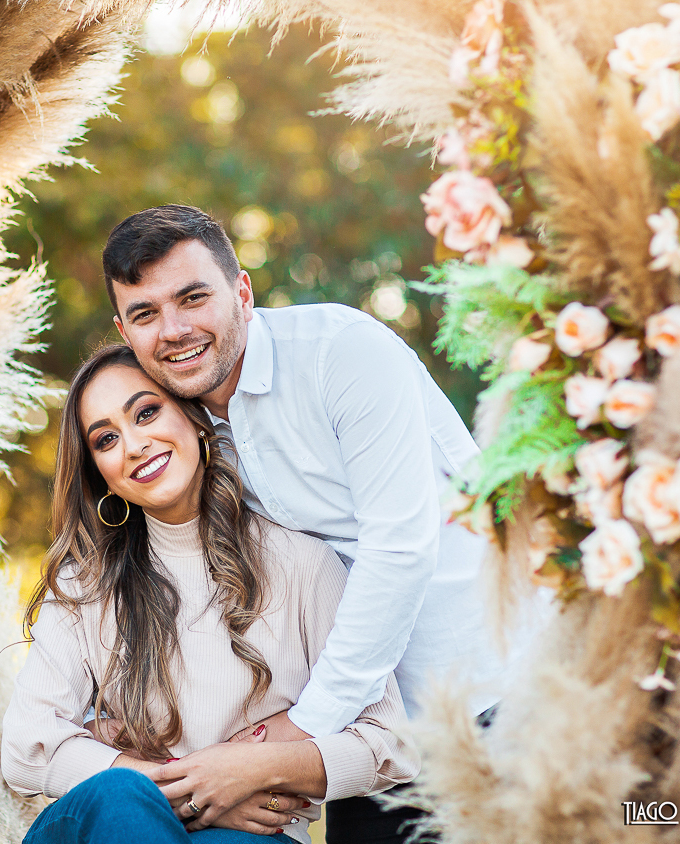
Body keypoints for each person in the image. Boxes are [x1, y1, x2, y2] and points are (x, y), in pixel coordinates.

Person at [101, 205, 506, 843]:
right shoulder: (172, 430)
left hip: (491, 691)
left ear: (242, 292)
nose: (173, 331)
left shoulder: (342, 354)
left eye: (193, 298)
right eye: (147, 314)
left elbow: (399, 551)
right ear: (125, 329)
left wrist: (296, 737)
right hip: (374, 740)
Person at [1, 344, 420, 844]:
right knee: (118, 796)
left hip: (253, 836)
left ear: (196, 419)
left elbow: (388, 743)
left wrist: (251, 772)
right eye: (107, 438)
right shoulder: (85, 586)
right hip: (110, 824)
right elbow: (27, 745)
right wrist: (189, 793)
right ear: (100, 474)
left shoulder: (304, 564)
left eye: (147, 411)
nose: (134, 444)